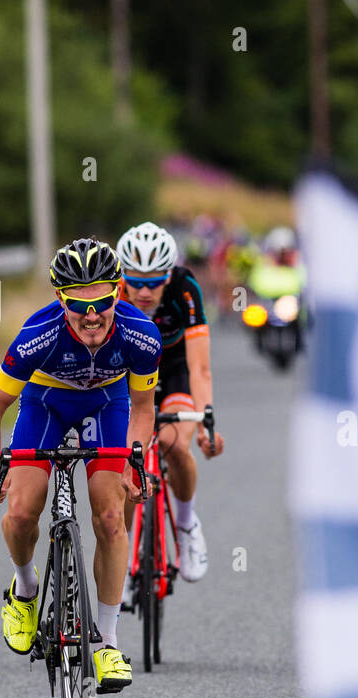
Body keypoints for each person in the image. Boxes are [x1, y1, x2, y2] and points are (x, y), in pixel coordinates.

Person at [0, 237, 162, 692]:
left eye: (102, 301)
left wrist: (132, 463)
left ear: (117, 291)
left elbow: (142, 408)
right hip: (45, 406)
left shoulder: (141, 336)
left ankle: (107, 644)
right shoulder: (37, 336)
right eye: (80, 306)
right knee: (22, 511)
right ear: (61, 299)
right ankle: (24, 590)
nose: (93, 315)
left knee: (111, 514)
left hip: (107, 406)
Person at [115, 221, 225, 586]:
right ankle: (120, 547)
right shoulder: (112, 293)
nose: (144, 291)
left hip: (175, 369)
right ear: (123, 275)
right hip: (128, 375)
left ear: (169, 274)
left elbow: (200, 366)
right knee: (126, 460)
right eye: (136, 280)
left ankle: (186, 524)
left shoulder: (185, 288)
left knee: (174, 444)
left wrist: (207, 422)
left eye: (154, 281)